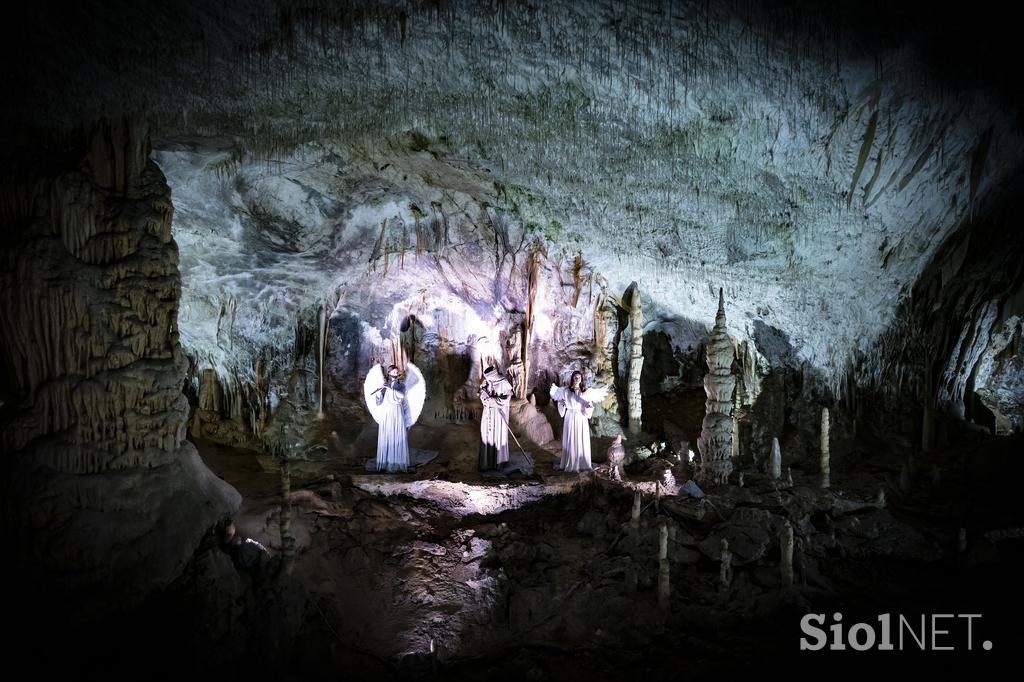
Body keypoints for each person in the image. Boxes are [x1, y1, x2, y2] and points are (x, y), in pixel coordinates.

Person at [550, 370, 595, 471]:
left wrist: (588, 407)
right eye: (575, 377)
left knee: (581, 438)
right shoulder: (566, 391)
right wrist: (562, 404)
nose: (577, 379)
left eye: (579, 377)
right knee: (571, 438)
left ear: (581, 379)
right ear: (572, 378)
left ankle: (582, 463)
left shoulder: (585, 392)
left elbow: (589, 406)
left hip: (581, 418)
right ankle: (571, 461)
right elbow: (561, 403)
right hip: (570, 416)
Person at [374, 364, 411, 472]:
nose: (396, 373)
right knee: (387, 433)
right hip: (387, 411)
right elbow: (379, 401)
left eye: (397, 371)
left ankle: (396, 464)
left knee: (396, 434)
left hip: (396, 411)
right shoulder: (386, 384)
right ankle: (385, 463)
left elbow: (401, 396)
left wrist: (389, 389)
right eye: (394, 371)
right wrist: (379, 392)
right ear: (389, 373)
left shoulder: (401, 385)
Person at [479, 366, 512, 470]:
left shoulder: (504, 383)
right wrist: (485, 399)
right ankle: (487, 462)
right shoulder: (486, 382)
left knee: (498, 435)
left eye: (490, 379)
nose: (489, 381)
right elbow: (482, 393)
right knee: (487, 435)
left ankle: (499, 462)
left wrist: (493, 401)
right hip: (488, 414)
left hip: (499, 415)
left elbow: (506, 399)